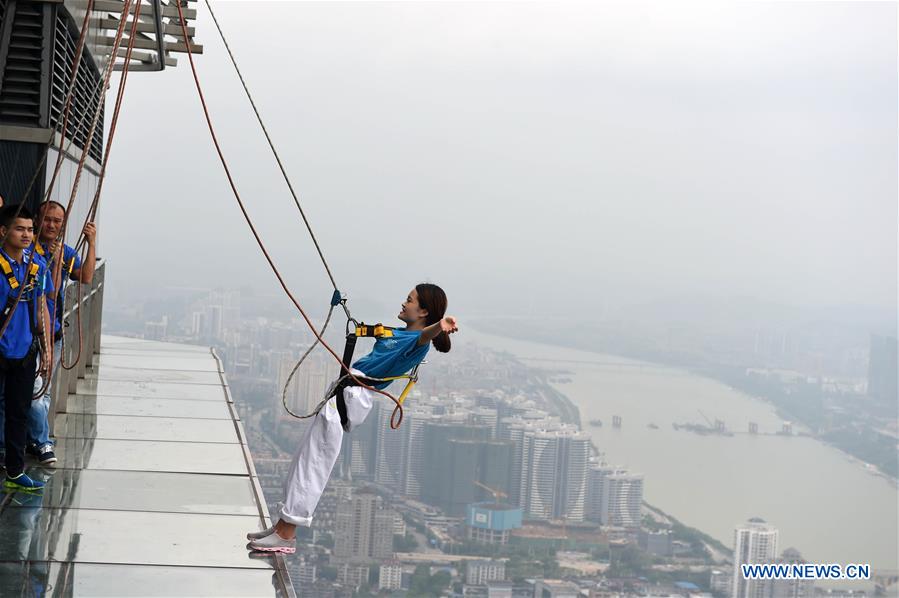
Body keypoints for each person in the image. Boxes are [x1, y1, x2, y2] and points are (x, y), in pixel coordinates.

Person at [247, 283, 458, 553]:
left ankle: (287, 534)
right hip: (343, 392)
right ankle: (280, 526)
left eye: (410, 300)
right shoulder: (397, 333)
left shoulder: (416, 344)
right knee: (303, 459)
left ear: (424, 311)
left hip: (350, 398)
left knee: (314, 464)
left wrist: (440, 325)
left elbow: (424, 336)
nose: (404, 303)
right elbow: (376, 332)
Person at [0, 201, 96, 466]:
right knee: (21, 399)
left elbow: (85, 277)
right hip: (23, 335)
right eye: (47, 220)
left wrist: (90, 243)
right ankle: (30, 443)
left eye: (57, 221)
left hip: (42, 334)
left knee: (35, 395)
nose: (51, 226)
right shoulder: (26, 255)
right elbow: (46, 294)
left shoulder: (60, 253)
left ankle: (36, 442)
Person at [0, 206, 53, 491]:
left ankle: (15, 470)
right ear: (3, 231)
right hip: (2, 346)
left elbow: (41, 306)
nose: (27, 234)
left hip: (24, 349)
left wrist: (47, 349)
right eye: (20, 229)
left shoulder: (36, 268)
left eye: (30, 230)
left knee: (18, 411)